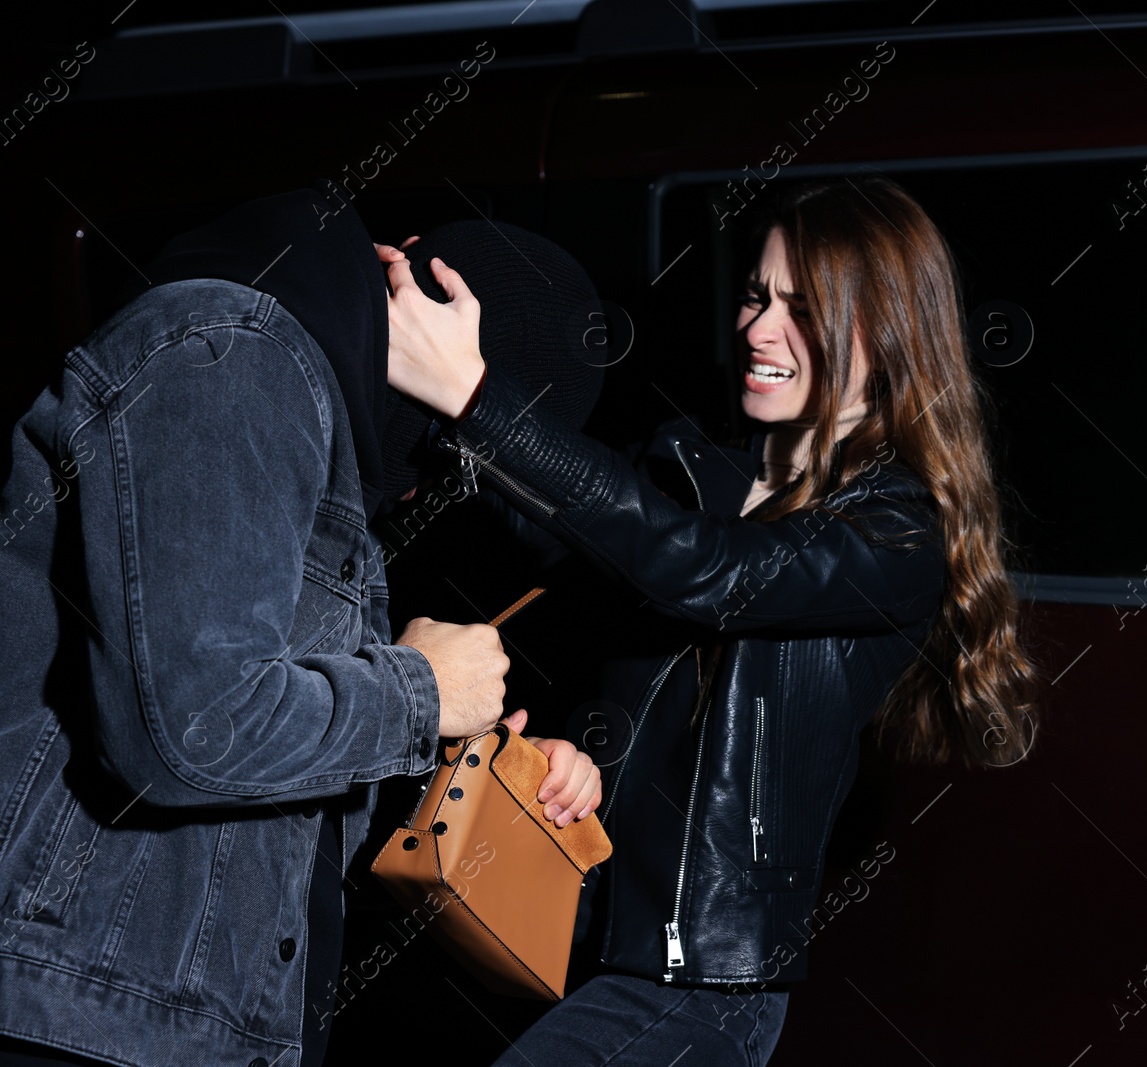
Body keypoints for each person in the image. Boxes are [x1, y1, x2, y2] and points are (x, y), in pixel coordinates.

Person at [380, 174, 1040, 1065]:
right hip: (563, 941)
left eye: (805, 310)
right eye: (757, 296)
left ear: (889, 335)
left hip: (695, 989)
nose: (759, 330)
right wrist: (579, 760)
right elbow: (583, 563)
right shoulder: (700, 478)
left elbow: (707, 573)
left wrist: (477, 399)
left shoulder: (897, 533)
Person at [0, 183, 602, 1067]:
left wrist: (476, 761)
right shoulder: (234, 354)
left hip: (170, 1019)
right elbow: (186, 729)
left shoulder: (315, 413)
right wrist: (418, 691)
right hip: (75, 1007)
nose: (431, 476)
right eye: (462, 443)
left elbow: (258, 784)